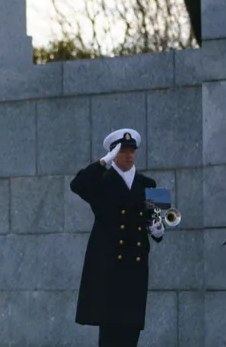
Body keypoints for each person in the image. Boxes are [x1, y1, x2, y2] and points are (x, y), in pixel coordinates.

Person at [70, 128, 165, 347]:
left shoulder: (148, 183)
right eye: (123, 150)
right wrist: (103, 162)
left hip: (136, 264)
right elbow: (77, 185)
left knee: (131, 332)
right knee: (111, 333)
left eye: (133, 150)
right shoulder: (101, 180)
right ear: (114, 153)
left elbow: (159, 219)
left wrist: (158, 230)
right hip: (108, 265)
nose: (129, 154)